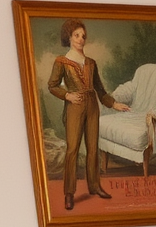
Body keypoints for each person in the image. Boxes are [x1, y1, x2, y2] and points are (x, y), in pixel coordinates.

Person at [47, 19, 116, 210]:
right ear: (68, 37)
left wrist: (114, 103)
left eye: (83, 36)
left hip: (93, 105)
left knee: (93, 148)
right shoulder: (61, 61)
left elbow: (100, 90)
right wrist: (67, 95)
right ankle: (69, 193)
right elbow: (52, 86)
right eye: (77, 35)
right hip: (74, 108)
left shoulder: (91, 63)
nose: (81, 39)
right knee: (72, 150)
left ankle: (95, 186)